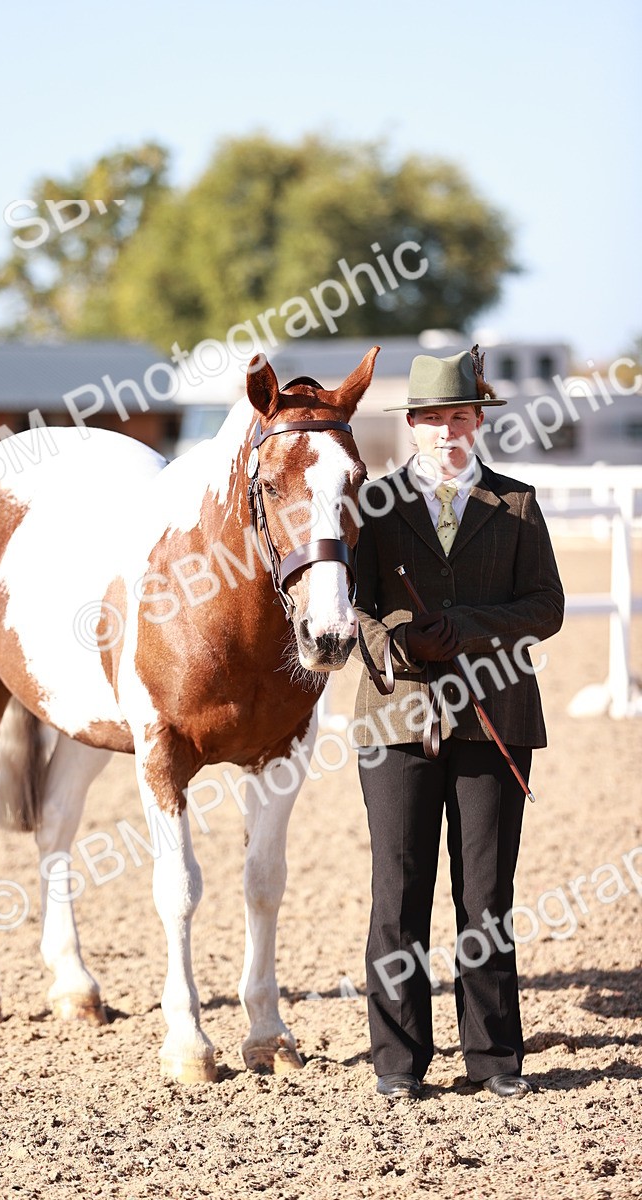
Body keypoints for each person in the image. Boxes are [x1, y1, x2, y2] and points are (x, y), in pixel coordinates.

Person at [353, 345, 564, 1100]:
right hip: (397, 719)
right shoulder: (373, 506)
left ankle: (494, 1057)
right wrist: (400, 638)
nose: (449, 431)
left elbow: (546, 607)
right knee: (398, 891)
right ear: (413, 426)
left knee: (485, 894)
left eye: (462, 417)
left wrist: (467, 625)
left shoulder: (518, 504)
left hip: (494, 718)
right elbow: (355, 607)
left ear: (479, 424)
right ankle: (398, 1061)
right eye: (435, 419)